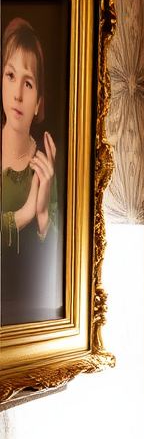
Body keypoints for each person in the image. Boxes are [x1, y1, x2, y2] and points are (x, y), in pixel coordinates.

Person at [1, 17, 59, 325]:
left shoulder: (45, 168)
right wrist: (24, 213)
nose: (17, 95)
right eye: (10, 75)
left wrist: (42, 216)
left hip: (28, 321)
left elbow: (57, 274)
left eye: (28, 83)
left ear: (39, 102)